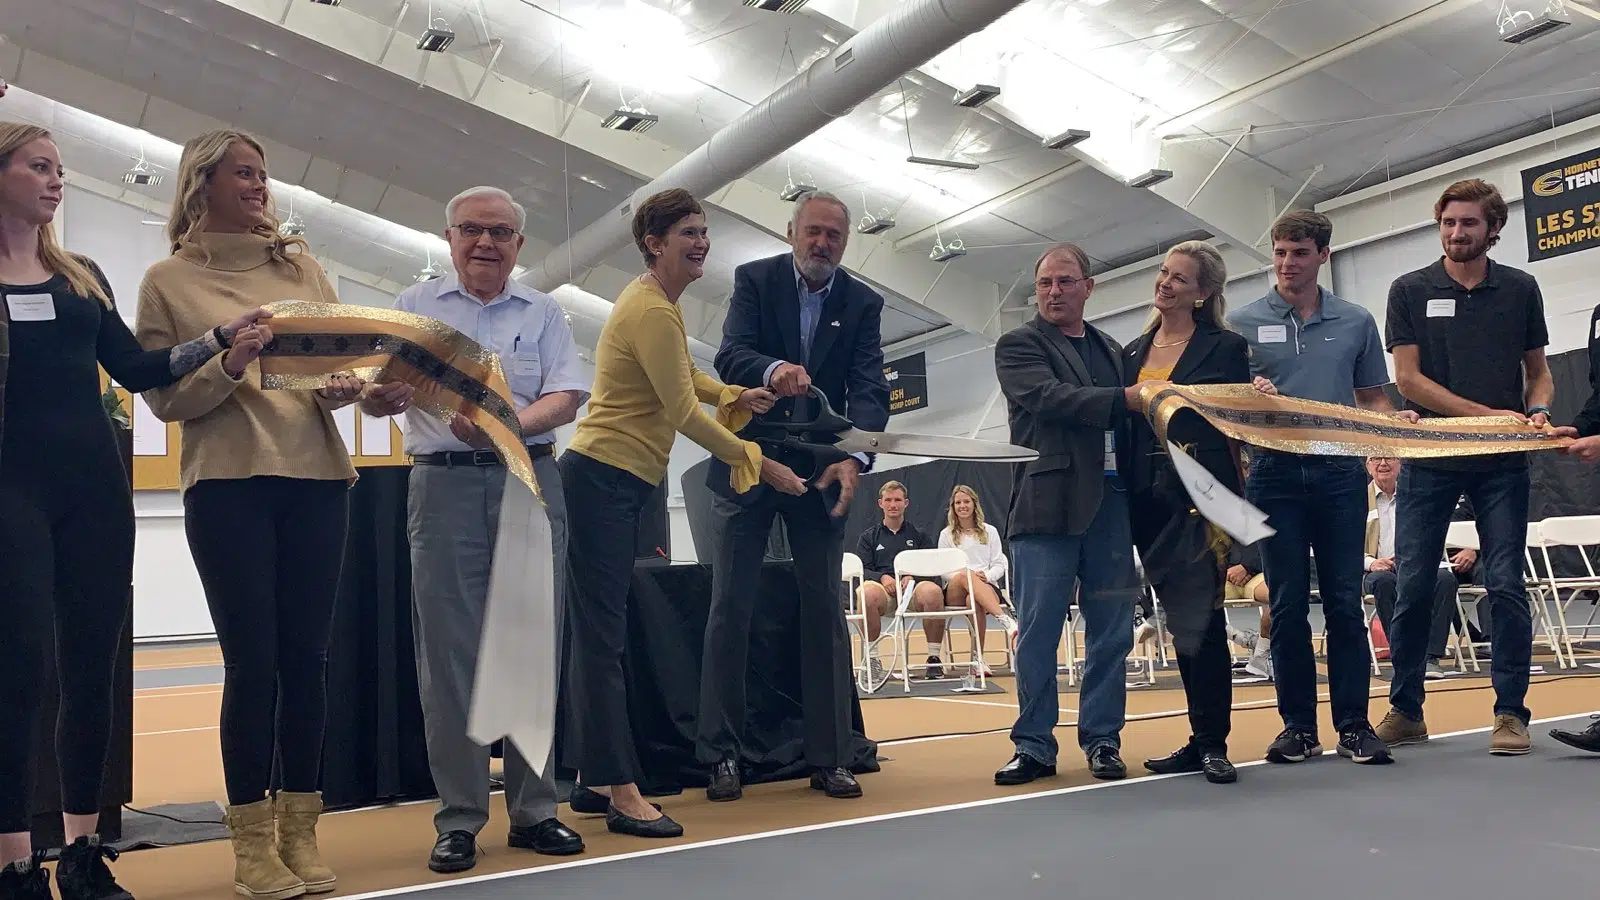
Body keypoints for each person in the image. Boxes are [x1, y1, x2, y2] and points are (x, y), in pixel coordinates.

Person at [135, 130, 409, 900]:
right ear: (204, 183)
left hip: (318, 477)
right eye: (243, 173)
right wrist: (229, 362)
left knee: (307, 664)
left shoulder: (302, 267)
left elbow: (339, 367)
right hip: (226, 485)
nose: (259, 185)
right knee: (252, 667)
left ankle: (301, 831)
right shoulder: (167, 280)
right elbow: (164, 397)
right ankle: (251, 843)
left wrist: (353, 388)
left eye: (262, 174)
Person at [0, 122, 267, 900]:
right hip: (11, 493)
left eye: (60, 169)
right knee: (20, 672)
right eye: (39, 167)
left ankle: (84, 852)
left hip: (93, 493)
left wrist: (219, 340)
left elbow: (138, 365)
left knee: (92, 670)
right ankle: (15, 860)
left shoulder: (80, 278)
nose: (56, 181)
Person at [559, 188, 791, 838]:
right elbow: (685, 413)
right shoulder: (652, 310)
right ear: (654, 243)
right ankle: (623, 793)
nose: (701, 242)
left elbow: (684, 379)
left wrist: (736, 392)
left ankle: (593, 776)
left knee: (602, 638)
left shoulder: (657, 305)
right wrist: (755, 459)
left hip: (619, 486)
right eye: (687, 232)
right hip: (601, 481)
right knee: (602, 643)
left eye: (703, 231)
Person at [377, 186, 587, 873]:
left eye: (500, 232)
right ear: (448, 236)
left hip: (530, 478)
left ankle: (535, 811)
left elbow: (566, 394)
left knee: (531, 645)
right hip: (442, 485)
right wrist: (383, 395)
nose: (485, 243)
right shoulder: (414, 308)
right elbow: (380, 389)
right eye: (471, 229)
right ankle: (461, 818)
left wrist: (503, 424)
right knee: (450, 655)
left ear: (519, 246)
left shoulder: (546, 312)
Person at [696, 190, 890, 803]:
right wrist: (773, 369)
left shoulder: (863, 303)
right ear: (791, 231)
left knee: (824, 610)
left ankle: (830, 755)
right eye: (813, 232)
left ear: (845, 242)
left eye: (834, 235)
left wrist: (856, 458)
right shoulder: (754, 281)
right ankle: (721, 754)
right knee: (731, 605)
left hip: (822, 470)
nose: (822, 243)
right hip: (750, 460)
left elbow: (867, 388)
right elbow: (731, 352)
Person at [1230, 209, 1417, 767]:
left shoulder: (1356, 320)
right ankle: (1297, 729)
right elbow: (1225, 401)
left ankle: (1355, 726)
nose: (1287, 264)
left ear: (1323, 256)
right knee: (1287, 604)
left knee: (1342, 601)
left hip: (1339, 474)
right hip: (1272, 475)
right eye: (1280, 252)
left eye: (1300, 253)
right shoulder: (1241, 322)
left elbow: (1373, 398)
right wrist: (1249, 393)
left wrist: (1395, 427)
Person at [1379, 178, 1554, 756]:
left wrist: (1537, 411)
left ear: (1493, 229)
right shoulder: (1408, 289)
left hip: (1503, 463)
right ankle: (1406, 710)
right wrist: (1485, 415)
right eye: (1448, 223)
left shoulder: (1521, 289)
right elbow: (1408, 381)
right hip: (1431, 459)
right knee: (1410, 583)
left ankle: (1510, 714)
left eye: (1469, 224)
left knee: (1504, 582)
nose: (1457, 233)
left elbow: (1539, 371)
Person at [992, 242, 1144, 786]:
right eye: (1045, 284)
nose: (1054, 292)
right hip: (1045, 508)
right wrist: (1124, 399)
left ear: (1088, 287)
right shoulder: (1017, 345)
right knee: (1036, 633)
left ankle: (1103, 740)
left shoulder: (1113, 349)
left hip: (1112, 506)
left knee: (1112, 632)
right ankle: (1033, 745)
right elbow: (1049, 398)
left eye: (1064, 282)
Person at [1120, 241, 1250, 785]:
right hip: (1142, 497)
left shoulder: (1226, 346)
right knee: (1178, 622)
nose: (1165, 283)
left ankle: (1213, 741)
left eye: (1179, 278)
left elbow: (1230, 424)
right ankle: (1199, 737)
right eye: (1163, 273)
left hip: (1199, 499)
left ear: (1203, 293)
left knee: (1205, 620)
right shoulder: (1130, 352)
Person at [1362, 455, 1458, 683]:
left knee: (1444, 580)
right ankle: (1402, 656)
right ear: (1367, 465)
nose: (1382, 464)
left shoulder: (1416, 496)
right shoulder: (1356, 499)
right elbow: (1340, 544)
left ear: (1402, 463)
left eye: (1389, 458)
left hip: (1415, 564)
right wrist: (1371, 562)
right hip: (1371, 570)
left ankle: (1431, 658)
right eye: (1375, 458)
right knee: (1385, 582)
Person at [855, 482, 945, 678]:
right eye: (888, 500)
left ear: (906, 503)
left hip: (913, 592)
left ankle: (934, 658)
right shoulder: (868, 537)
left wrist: (913, 576)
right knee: (866, 593)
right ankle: (872, 659)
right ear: (880, 504)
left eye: (897, 500)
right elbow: (862, 569)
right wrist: (882, 577)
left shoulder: (919, 536)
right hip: (882, 593)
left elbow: (932, 568)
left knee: (933, 592)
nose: (893, 504)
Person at [936, 484, 1019, 675]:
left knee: (974, 601)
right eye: (958, 502)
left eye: (966, 501)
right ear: (953, 507)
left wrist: (986, 576)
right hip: (956, 587)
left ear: (974, 504)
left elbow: (999, 564)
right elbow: (943, 569)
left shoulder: (990, 531)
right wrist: (969, 575)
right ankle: (1006, 620)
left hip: (985, 586)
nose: (962, 506)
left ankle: (978, 658)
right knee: (966, 575)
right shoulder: (946, 534)